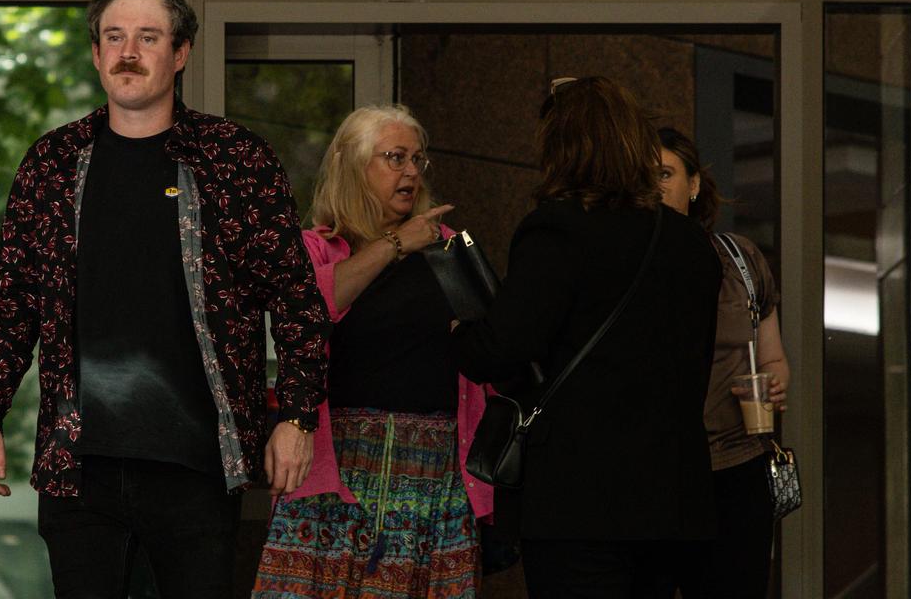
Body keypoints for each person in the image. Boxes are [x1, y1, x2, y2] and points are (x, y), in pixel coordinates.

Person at [0, 0, 331, 599]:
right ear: (97, 52)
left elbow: (297, 302)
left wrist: (296, 415)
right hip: (80, 467)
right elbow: (11, 303)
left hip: (196, 465)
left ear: (181, 52)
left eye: (148, 38)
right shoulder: (51, 163)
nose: (128, 53)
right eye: (114, 37)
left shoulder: (234, 160)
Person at [450, 76, 721, 598]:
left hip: (580, 498)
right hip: (672, 499)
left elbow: (504, 346)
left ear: (561, 148)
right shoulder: (691, 243)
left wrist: (461, 332)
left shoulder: (558, 229)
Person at [252, 104, 491, 598]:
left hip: (432, 473)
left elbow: (491, 345)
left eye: (417, 160)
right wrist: (395, 243)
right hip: (339, 468)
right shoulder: (318, 248)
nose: (410, 171)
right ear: (354, 166)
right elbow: (314, 306)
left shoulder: (447, 248)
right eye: (395, 157)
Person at [657, 127, 791, 598]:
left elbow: (773, 356)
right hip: (659, 471)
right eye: (643, 177)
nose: (655, 185)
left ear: (694, 185)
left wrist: (774, 385)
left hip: (736, 464)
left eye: (665, 173)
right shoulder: (632, 266)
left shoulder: (739, 258)